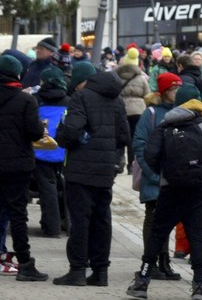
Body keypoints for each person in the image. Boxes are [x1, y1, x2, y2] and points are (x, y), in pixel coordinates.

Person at [126, 84, 202, 300]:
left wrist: (165, 173)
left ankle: (142, 282)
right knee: (197, 236)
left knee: (157, 234)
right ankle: (199, 285)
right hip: (198, 190)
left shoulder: (165, 125)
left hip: (169, 188)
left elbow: (150, 156)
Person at [0, 54, 49, 282]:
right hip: (19, 165)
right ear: (16, 74)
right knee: (18, 215)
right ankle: (25, 263)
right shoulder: (25, 100)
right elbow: (34, 132)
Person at [54, 61, 130, 286]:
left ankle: (77, 270)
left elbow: (72, 129)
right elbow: (124, 135)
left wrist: (62, 135)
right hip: (106, 169)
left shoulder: (82, 97)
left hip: (81, 168)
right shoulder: (116, 99)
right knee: (102, 220)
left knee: (80, 220)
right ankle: (100, 272)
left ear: (82, 82)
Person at [132, 73, 187, 282]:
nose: (176, 93)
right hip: (154, 177)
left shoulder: (182, 113)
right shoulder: (152, 113)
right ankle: (151, 262)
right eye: (173, 89)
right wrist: (152, 173)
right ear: (164, 91)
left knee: (167, 221)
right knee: (153, 220)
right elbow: (140, 144)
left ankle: (164, 261)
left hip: (173, 178)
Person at [34, 68, 70, 238]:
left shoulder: (36, 100)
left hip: (42, 150)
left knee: (47, 187)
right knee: (66, 186)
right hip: (64, 151)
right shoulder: (69, 101)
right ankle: (68, 223)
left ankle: (51, 227)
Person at [119, 55, 150, 167]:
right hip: (138, 111)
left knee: (122, 135)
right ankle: (132, 164)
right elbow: (147, 94)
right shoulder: (141, 78)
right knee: (134, 137)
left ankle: (120, 159)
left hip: (122, 110)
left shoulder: (118, 76)